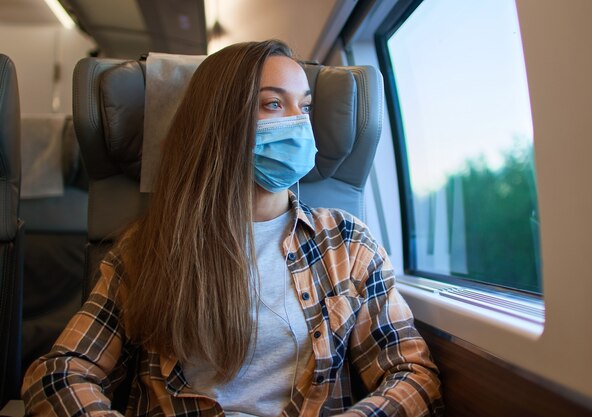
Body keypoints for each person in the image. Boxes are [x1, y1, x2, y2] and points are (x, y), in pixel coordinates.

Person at [22, 40, 444, 416]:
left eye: (307, 106)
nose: (301, 123)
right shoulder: (149, 246)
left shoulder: (347, 244)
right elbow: (57, 375)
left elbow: (411, 375)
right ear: (220, 122)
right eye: (273, 104)